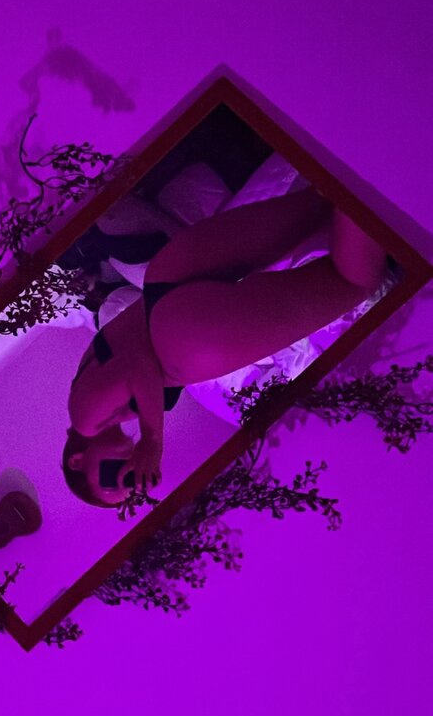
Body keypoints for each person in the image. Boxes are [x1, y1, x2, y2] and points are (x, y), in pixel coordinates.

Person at [62, 185, 392, 509]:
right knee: (322, 199)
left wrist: (152, 441)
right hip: (168, 280)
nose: (127, 472)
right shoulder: (95, 393)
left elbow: (137, 365)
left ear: (77, 460)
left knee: (352, 282)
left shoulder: (85, 418)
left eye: (111, 478)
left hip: (184, 336)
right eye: (130, 483)